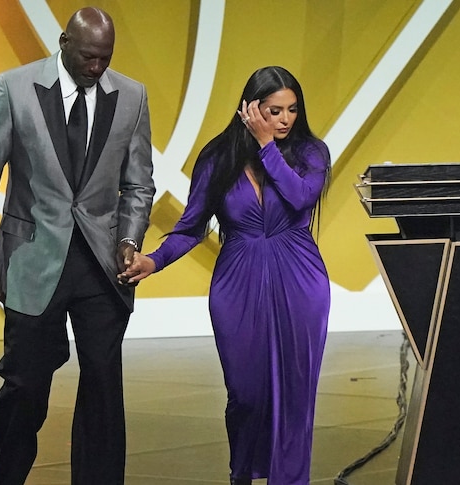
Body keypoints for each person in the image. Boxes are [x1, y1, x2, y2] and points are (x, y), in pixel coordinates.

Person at [0, 7, 155, 484]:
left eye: (105, 58)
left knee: (105, 387)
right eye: (89, 56)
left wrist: (129, 239)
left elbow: (139, 183)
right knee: (26, 387)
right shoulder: (14, 88)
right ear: (64, 41)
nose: (96, 67)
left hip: (102, 268)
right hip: (32, 260)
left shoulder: (130, 96)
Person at [120, 66, 331, 485]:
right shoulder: (217, 158)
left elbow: (301, 196)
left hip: (300, 278)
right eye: (274, 110)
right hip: (238, 281)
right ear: (250, 109)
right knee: (246, 393)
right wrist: (154, 260)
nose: (285, 119)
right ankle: (243, 472)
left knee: (294, 395)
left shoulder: (311, 153)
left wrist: (268, 146)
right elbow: (192, 227)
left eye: (291, 109)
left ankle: (289, 479)